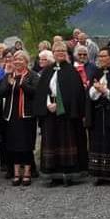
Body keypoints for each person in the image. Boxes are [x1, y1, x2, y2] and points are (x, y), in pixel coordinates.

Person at [34, 41, 89, 187]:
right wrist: (47, 104)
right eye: (57, 50)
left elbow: (76, 94)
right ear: (52, 52)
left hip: (66, 115)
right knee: (51, 142)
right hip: (50, 113)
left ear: (66, 52)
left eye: (63, 50)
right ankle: (53, 175)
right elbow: (41, 91)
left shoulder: (71, 71)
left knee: (67, 142)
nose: (60, 52)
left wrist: (60, 105)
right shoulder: (47, 71)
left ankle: (68, 174)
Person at [85, 46, 110, 185]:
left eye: (104, 56)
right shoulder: (96, 73)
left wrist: (105, 91)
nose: (101, 59)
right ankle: (100, 174)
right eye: (100, 56)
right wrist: (96, 91)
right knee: (98, 143)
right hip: (98, 113)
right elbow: (90, 95)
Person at [0, 50, 40, 186]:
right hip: (12, 116)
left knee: (27, 145)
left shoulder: (32, 75)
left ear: (26, 62)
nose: (17, 62)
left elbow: (36, 92)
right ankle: (17, 172)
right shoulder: (9, 76)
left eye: (20, 59)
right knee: (14, 145)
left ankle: (27, 172)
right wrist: (9, 84)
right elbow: (1, 93)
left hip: (27, 116)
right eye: (15, 60)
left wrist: (22, 84)